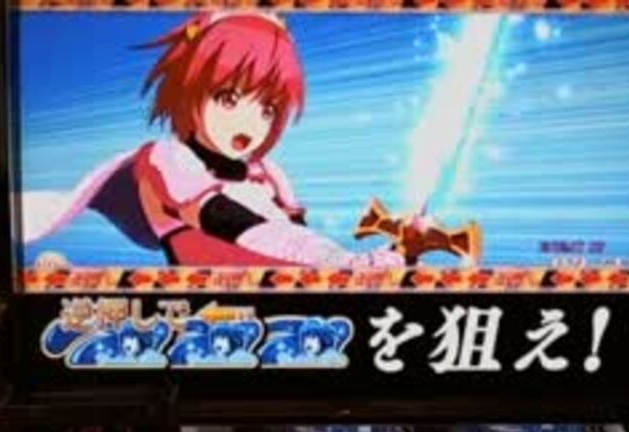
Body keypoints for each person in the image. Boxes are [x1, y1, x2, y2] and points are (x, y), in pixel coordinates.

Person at [22, 11, 404, 269]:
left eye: (268, 108)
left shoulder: (268, 173)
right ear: (190, 91)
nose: (250, 123)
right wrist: (341, 262)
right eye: (228, 99)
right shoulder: (168, 160)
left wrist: (387, 256)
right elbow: (230, 223)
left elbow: (298, 242)